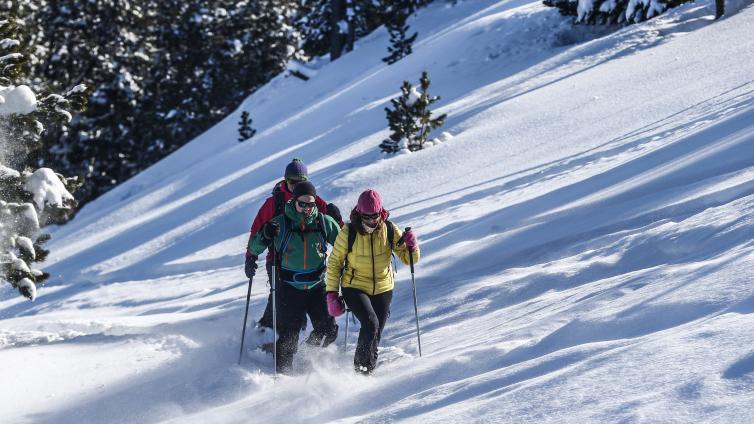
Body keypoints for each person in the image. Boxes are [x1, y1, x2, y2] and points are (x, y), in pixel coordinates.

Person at [245, 157, 343, 345]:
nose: (296, 185)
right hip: (278, 259)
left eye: (301, 181)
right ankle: (267, 334)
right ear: (285, 181)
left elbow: (334, 232)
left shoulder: (313, 200)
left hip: (311, 268)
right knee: (280, 298)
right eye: (292, 181)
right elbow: (257, 231)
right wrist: (250, 257)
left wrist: (338, 220)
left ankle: (290, 341)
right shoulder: (274, 203)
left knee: (296, 307)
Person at [325, 189, 420, 375]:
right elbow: (335, 263)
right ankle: (360, 371)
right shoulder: (348, 232)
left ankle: (367, 370)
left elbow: (409, 259)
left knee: (375, 333)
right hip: (355, 286)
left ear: (380, 213)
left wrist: (412, 245)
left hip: (384, 287)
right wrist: (332, 294)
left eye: (375, 216)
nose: (371, 221)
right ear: (359, 213)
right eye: (366, 217)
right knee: (370, 323)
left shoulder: (390, 229)